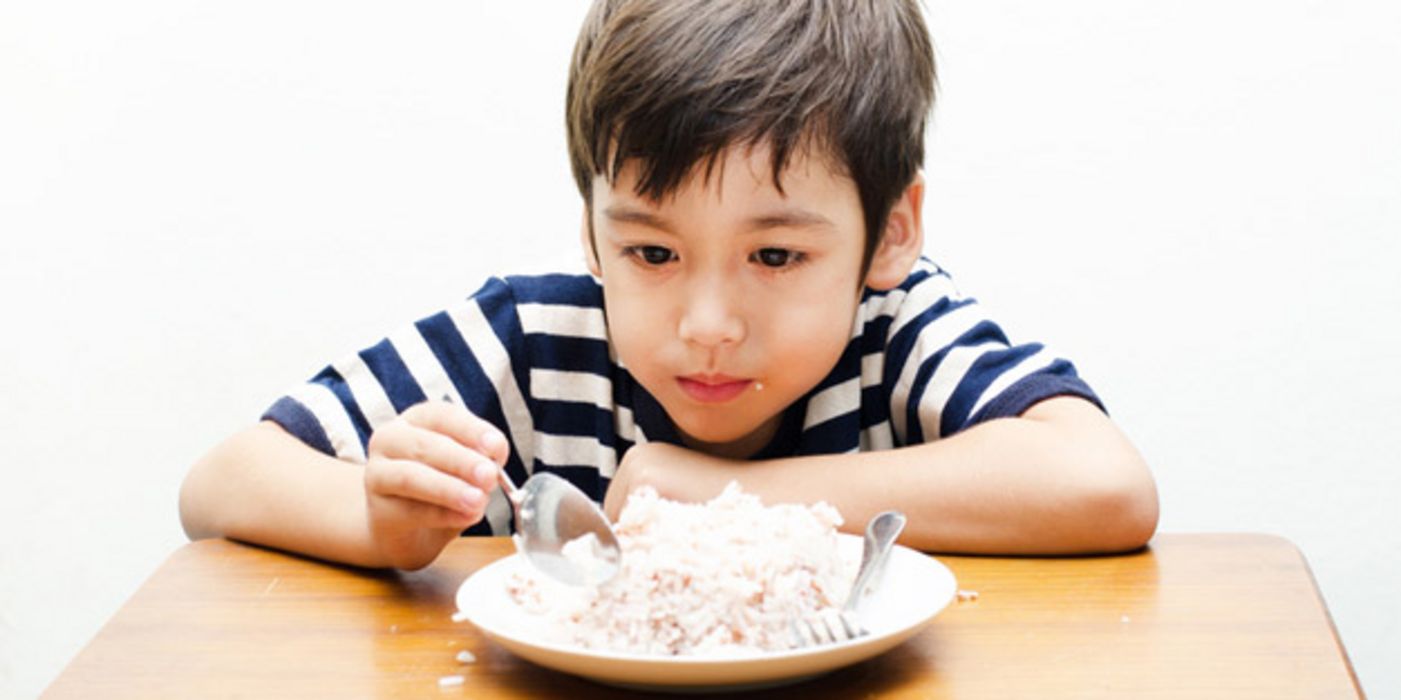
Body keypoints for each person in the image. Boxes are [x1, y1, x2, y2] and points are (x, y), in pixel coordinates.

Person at [180, 0, 1158, 570]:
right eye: (651, 253)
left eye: (775, 257)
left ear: (888, 235)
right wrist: (379, 522)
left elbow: (1105, 484)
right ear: (594, 235)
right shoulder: (535, 335)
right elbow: (219, 483)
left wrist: (722, 491)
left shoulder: (894, 325)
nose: (706, 325)